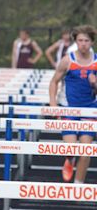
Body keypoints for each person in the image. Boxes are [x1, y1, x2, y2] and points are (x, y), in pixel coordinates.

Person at [49, 25, 97, 184]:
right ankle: (69, 159)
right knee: (71, 148)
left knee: (85, 152)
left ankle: (78, 186)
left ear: (91, 42)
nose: (83, 44)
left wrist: (95, 84)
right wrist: (53, 104)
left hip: (90, 109)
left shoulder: (96, 61)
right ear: (76, 42)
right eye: (80, 40)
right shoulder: (68, 60)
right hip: (69, 108)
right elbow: (54, 82)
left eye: (86, 41)